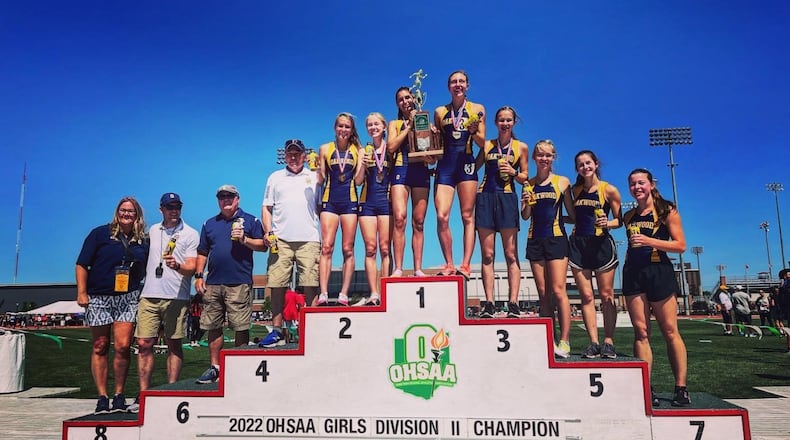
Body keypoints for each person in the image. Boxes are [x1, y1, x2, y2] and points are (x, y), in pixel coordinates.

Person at [622, 168, 690, 407]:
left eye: (641, 183)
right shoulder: (628, 216)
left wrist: (649, 241)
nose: (637, 187)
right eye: (633, 184)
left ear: (651, 184)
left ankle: (681, 388)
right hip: (633, 274)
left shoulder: (667, 210)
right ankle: (646, 388)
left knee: (670, 331)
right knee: (641, 332)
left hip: (659, 272)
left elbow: (680, 245)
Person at [76, 196, 148, 414]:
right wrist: (81, 292)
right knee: (100, 345)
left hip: (127, 297)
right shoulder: (100, 234)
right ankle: (102, 396)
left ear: (137, 215)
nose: (126, 214)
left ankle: (119, 394)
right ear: (117, 212)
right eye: (123, 210)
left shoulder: (142, 240)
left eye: (131, 211)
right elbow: (82, 264)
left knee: (123, 346)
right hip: (99, 296)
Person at [132, 193, 198, 412]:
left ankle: (171, 391)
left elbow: (192, 267)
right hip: (149, 295)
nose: (174, 210)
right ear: (161, 209)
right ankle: (144, 394)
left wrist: (177, 266)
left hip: (176, 297)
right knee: (144, 344)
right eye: (170, 207)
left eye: (177, 206)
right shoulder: (153, 231)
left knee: (174, 344)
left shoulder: (190, 233)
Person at [195, 185, 265, 384]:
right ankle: (215, 367)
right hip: (213, 282)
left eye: (230, 196)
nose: (226, 199)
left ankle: (238, 368)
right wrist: (199, 276)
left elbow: (263, 246)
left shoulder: (251, 220)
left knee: (240, 326)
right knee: (213, 326)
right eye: (222, 197)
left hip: (239, 282)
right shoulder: (209, 223)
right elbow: (202, 252)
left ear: (237, 199)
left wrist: (244, 239)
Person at [259, 139, 321, 347]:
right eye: (290, 154)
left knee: (311, 283)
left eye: (297, 153)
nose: (293, 157)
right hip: (281, 239)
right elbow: (266, 207)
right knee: (277, 285)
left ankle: (311, 330)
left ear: (304, 155)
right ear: (284, 156)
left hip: (309, 238)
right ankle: (277, 331)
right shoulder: (275, 177)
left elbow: (323, 206)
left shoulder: (314, 176)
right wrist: (268, 232)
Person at [521, 140, 575, 358]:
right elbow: (525, 216)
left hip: (556, 240)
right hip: (535, 239)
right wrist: (526, 202)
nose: (544, 159)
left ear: (554, 158)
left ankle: (565, 341)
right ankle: (549, 340)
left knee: (558, 291)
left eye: (548, 155)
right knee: (543, 294)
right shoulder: (529, 183)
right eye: (540, 155)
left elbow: (572, 214)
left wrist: (563, 220)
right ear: (534, 157)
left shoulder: (562, 182)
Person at [474, 106, 529, 318]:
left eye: (508, 120)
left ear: (514, 122)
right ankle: (489, 303)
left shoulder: (521, 147)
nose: (505, 124)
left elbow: (525, 176)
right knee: (487, 255)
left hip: (507, 198)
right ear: (496, 123)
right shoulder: (487, 145)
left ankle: (513, 302)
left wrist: (514, 172)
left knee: (510, 254)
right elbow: (472, 167)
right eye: (501, 120)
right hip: (485, 198)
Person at [568, 150, 623, 359]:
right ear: (577, 169)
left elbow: (619, 220)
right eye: (581, 164)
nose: (585, 167)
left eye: (588, 163)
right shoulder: (575, 190)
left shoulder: (609, 189)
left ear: (596, 164)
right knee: (586, 296)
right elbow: (575, 217)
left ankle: (608, 341)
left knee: (607, 295)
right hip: (579, 246)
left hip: (601, 245)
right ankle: (593, 342)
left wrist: (607, 223)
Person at [433, 70, 486, 278]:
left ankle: (465, 265)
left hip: (466, 165)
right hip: (445, 166)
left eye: (461, 81)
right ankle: (449, 263)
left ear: (467, 85)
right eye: (454, 82)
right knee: (441, 215)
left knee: (467, 215)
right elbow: (437, 142)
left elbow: (482, 143)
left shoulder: (477, 109)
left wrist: (473, 131)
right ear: (448, 87)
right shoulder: (440, 111)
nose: (458, 85)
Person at [318, 112, 364, 306]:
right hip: (330, 201)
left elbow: (359, 181)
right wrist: (316, 168)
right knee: (327, 247)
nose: (343, 130)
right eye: (340, 126)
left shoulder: (358, 150)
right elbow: (321, 179)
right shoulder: (325, 148)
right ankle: (323, 293)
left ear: (352, 130)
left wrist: (364, 164)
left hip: (349, 202)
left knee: (348, 249)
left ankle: (344, 294)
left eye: (347, 126)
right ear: (335, 128)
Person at [388, 87, 432, 278]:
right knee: (399, 219)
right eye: (401, 99)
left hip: (421, 170)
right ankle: (398, 268)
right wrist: (409, 126)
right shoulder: (395, 124)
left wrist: (432, 155)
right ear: (397, 104)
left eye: (407, 97)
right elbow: (391, 147)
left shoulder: (424, 120)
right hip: (401, 168)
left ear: (414, 99)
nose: (405, 101)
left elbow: (432, 151)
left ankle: (418, 269)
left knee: (419, 222)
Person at [354, 113, 392, 306]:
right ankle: (374, 294)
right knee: (370, 249)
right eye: (369, 125)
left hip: (386, 202)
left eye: (376, 124)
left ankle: (386, 292)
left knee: (385, 248)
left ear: (384, 126)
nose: (373, 127)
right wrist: (363, 165)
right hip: (367, 203)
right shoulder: (364, 150)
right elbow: (358, 181)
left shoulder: (391, 149)